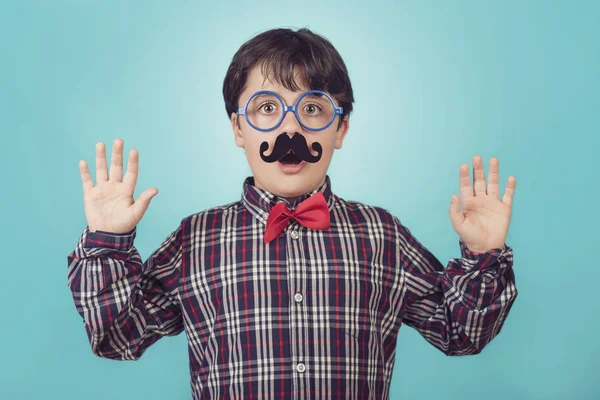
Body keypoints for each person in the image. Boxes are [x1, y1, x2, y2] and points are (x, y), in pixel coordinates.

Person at [67, 27, 518, 400]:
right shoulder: (195, 238)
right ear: (238, 129)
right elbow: (118, 337)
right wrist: (107, 240)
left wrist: (483, 253)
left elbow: (461, 333)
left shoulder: (382, 235)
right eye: (266, 108)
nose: (290, 129)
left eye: (313, 109)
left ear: (340, 129)